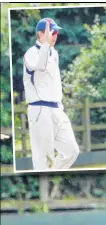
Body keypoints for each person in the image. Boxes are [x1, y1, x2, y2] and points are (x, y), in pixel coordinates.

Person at [22, 18, 79, 171]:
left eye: (56, 33)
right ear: (40, 34)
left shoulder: (54, 53)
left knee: (71, 151)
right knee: (44, 159)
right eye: (52, 33)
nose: (55, 36)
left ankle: (51, 178)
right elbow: (40, 67)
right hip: (39, 109)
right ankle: (45, 188)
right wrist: (46, 45)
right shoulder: (31, 53)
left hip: (56, 109)